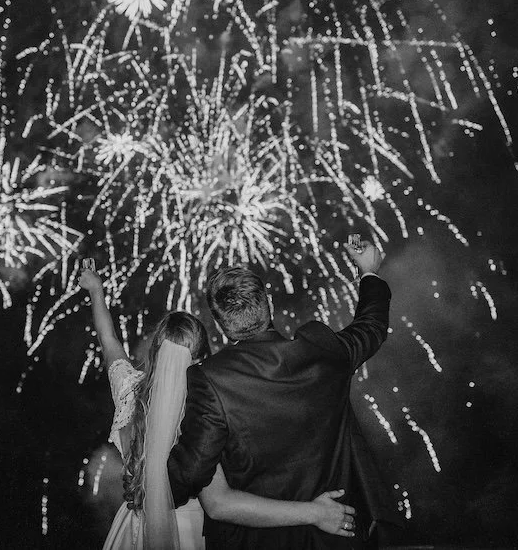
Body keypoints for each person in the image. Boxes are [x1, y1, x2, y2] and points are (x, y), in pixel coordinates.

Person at [79, 266, 357, 549]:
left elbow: (108, 339)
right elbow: (220, 502)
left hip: (133, 527)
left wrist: (95, 290)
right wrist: (315, 513)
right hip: (191, 532)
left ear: (155, 352)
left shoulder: (129, 391)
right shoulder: (205, 410)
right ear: (202, 357)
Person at [168, 235, 396, 548]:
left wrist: (150, 490)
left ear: (221, 324)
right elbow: (371, 326)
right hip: (335, 535)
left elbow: (192, 470)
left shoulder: (209, 380)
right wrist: (370, 271)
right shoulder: (322, 350)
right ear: (269, 304)